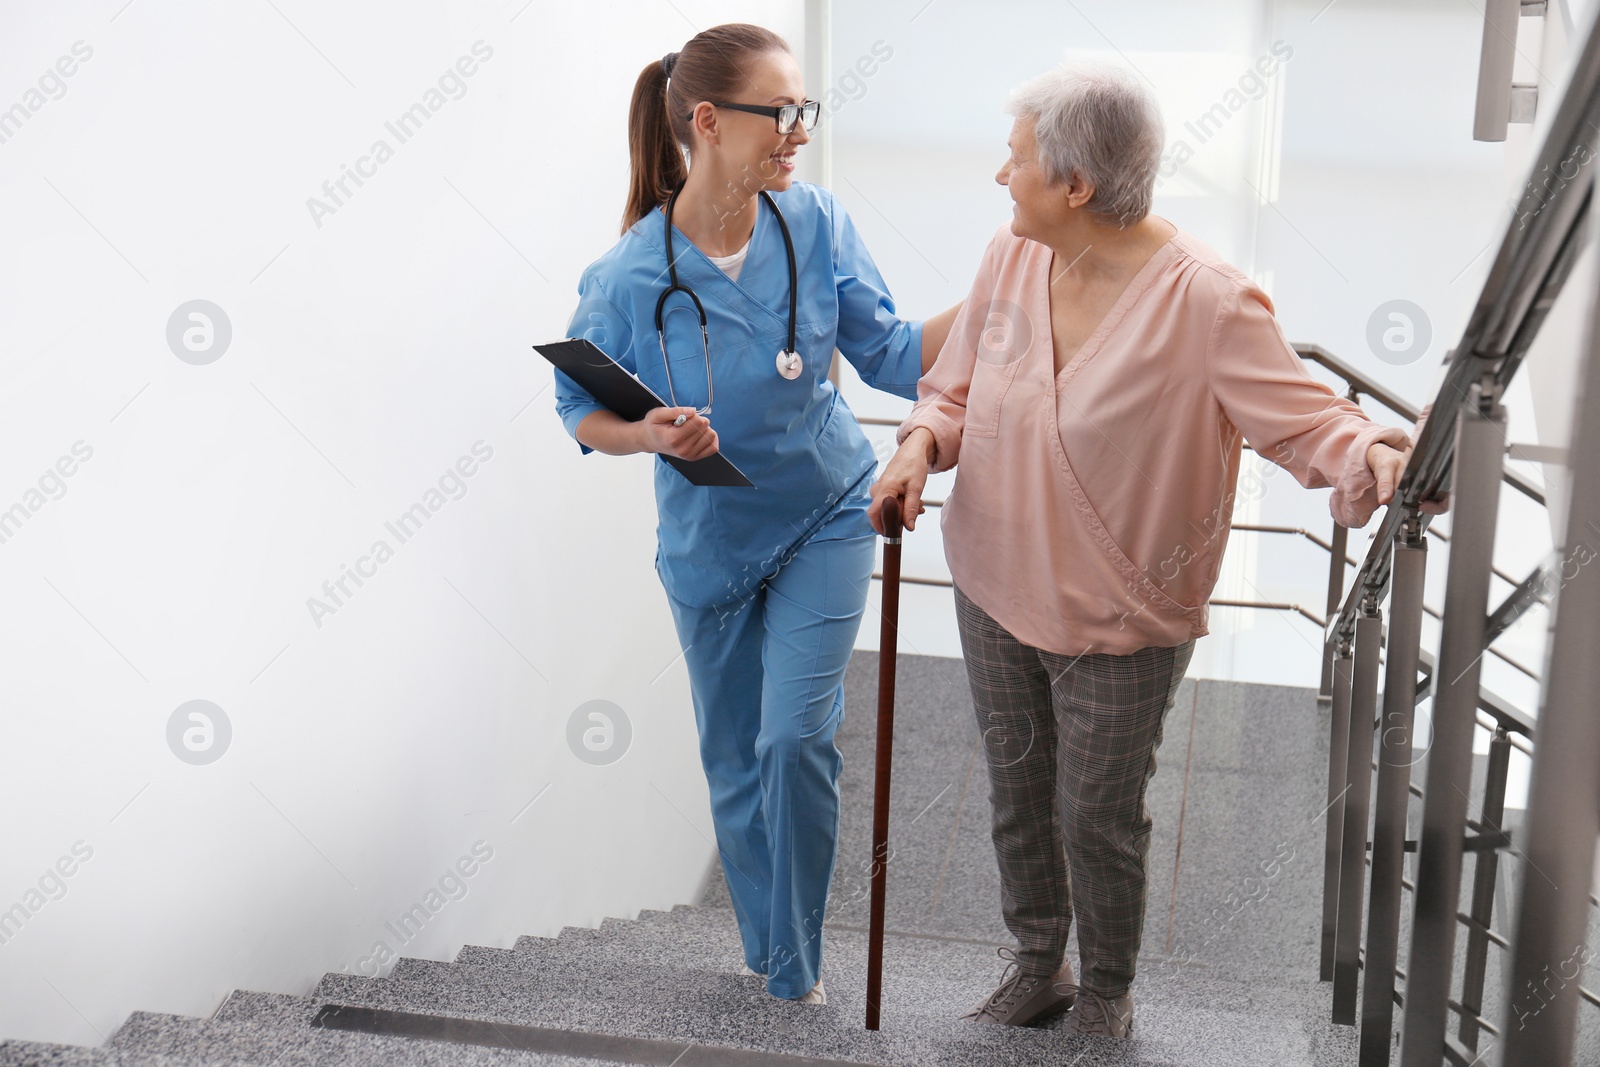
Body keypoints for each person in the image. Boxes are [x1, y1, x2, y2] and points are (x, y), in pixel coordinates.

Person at [869, 62, 1424, 1036]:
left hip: (1118, 614)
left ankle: (1108, 991)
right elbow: (951, 389)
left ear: (1075, 186)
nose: (1003, 181)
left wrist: (1373, 447)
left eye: (1017, 162)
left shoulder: (1208, 299)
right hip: (993, 576)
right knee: (1015, 792)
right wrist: (917, 445)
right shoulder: (1011, 256)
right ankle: (1036, 959)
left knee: (1097, 816)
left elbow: (1301, 421)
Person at [553, 24, 959, 1005]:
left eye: (801, 111)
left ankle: (793, 970)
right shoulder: (626, 277)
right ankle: (771, 945)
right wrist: (649, 434)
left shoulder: (811, 223)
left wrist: (1003, 287)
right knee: (733, 762)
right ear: (708, 123)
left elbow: (896, 357)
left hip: (825, 508)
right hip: (710, 542)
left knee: (793, 741)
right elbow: (581, 409)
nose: (798, 132)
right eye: (782, 112)